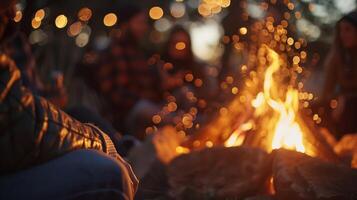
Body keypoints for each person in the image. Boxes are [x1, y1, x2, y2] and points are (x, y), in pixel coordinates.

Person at [0, 1, 138, 199]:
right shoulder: (115, 52)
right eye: (8, 7)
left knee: (80, 113)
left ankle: (128, 149)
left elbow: (21, 99)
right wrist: (100, 141)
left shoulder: (15, 38)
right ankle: (128, 154)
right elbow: (21, 118)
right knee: (108, 173)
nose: (13, 13)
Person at [322, 10, 357, 137]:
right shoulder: (337, 56)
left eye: (348, 30)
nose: (343, 35)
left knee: (350, 108)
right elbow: (327, 91)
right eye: (341, 30)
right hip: (342, 104)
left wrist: (346, 99)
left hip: (351, 105)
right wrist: (336, 100)